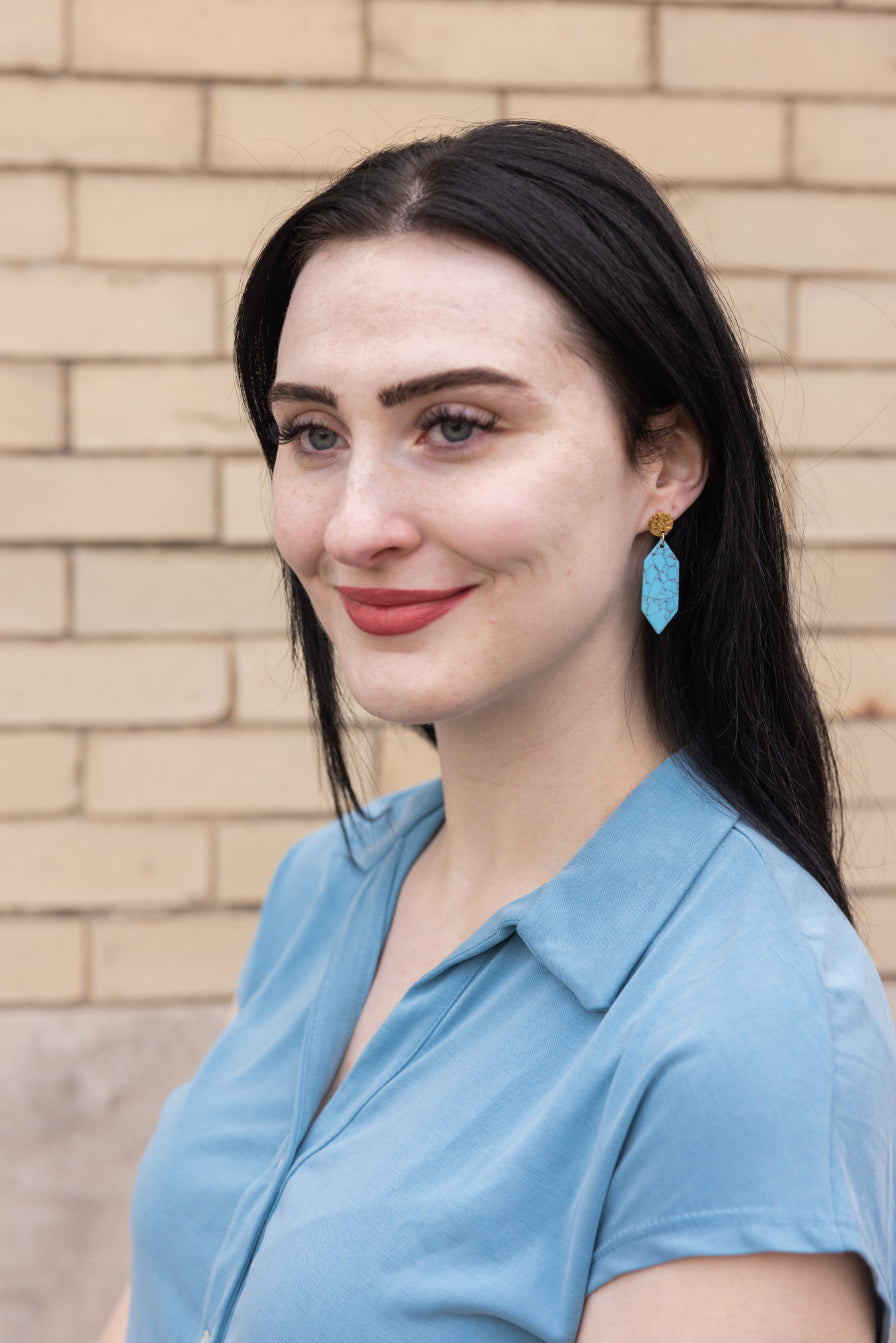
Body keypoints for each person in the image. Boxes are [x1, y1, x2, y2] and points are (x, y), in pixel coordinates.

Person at [99, 120, 896, 1343]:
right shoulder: (330, 884)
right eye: (313, 433)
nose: (353, 525)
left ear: (662, 464)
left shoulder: (749, 1025)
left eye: (455, 424)